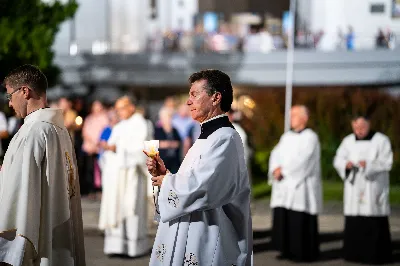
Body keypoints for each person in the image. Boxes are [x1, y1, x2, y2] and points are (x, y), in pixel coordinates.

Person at [145, 69, 253, 266]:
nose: (188, 102)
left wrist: (168, 182)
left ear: (215, 98)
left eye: (194, 94)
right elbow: (195, 179)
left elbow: (205, 187)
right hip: (194, 229)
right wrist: (166, 175)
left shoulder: (225, 138)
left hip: (208, 236)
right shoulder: (208, 137)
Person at [0, 64, 85, 265]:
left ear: (24, 91)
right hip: (59, 227)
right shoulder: (59, 129)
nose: (10, 103)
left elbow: (21, 193)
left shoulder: (33, 132)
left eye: (9, 95)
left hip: (40, 229)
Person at [333, 115, 393, 264]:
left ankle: (376, 255)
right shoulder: (348, 141)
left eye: (362, 127)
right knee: (355, 220)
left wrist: (368, 165)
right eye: (356, 128)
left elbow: (386, 162)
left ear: (369, 125)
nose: (358, 131)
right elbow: (338, 158)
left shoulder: (381, 140)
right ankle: (353, 253)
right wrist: (345, 164)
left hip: (372, 186)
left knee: (372, 218)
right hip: (354, 187)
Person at [268, 105, 322, 262]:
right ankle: (286, 249)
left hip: (301, 186)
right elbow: (275, 153)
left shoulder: (310, 137)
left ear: (304, 118)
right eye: (290, 115)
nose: (290, 118)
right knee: (285, 216)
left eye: (294, 115)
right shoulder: (286, 137)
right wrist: (275, 168)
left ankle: (303, 252)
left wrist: (283, 171)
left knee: (299, 218)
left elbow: (304, 160)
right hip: (283, 185)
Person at [99, 95, 150, 258]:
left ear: (131, 107)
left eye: (121, 108)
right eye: (117, 108)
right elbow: (112, 148)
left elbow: (142, 151)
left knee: (131, 209)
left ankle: (134, 247)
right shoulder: (119, 126)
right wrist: (109, 149)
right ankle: (116, 246)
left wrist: (117, 149)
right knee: (116, 209)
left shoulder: (141, 124)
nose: (118, 112)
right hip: (115, 176)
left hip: (132, 176)